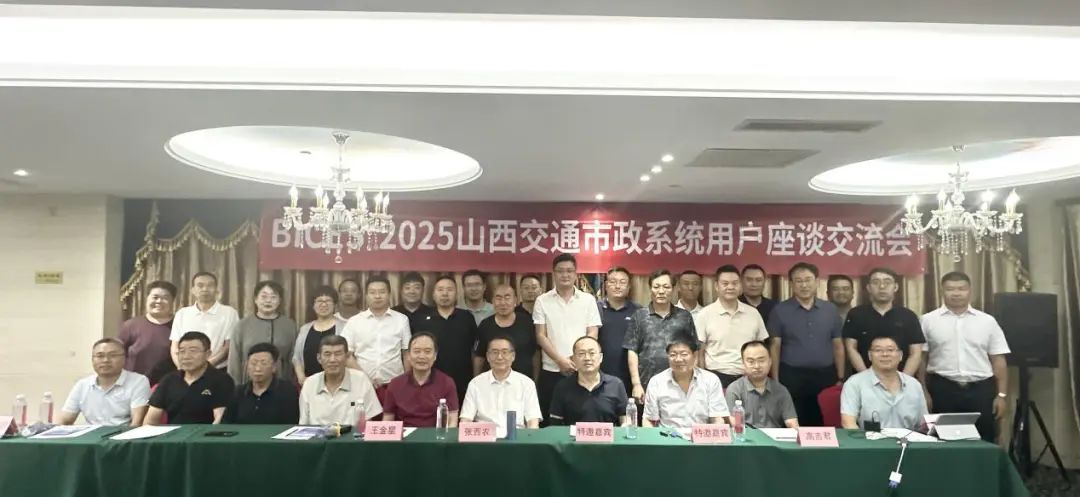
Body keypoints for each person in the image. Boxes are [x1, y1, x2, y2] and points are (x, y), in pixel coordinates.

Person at [919, 271, 1010, 443]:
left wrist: (1002, 395)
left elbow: (998, 360)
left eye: (961, 289)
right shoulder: (927, 321)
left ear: (970, 291)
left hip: (981, 391)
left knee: (984, 440)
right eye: (950, 289)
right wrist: (923, 391)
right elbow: (922, 359)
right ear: (942, 291)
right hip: (942, 389)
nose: (956, 293)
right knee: (940, 441)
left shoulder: (987, 321)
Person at [768, 262, 845, 426]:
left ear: (817, 282)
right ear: (791, 284)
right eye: (799, 281)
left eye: (808, 280)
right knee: (794, 422)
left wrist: (840, 376)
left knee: (823, 422)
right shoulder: (780, 310)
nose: (804, 285)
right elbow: (775, 347)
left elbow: (838, 345)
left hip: (825, 376)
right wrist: (775, 379)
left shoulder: (830, 310)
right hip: (792, 376)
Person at [534, 254, 602, 423]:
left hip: (582, 370)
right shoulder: (542, 301)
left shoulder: (588, 300)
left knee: (581, 419)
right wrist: (560, 360)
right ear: (553, 273)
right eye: (560, 271)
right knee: (551, 421)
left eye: (569, 271)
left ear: (576, 273)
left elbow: (592, 333)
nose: (565, 275)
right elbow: (540, 335)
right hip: (551, 370)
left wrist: (576, 359)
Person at [625, 269, 698, 405]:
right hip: (646, 385)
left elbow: (694, 350)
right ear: (650, 289)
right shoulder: (639, 316)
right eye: (656, 287)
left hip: (679, 384)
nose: (661, 291)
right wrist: (636, 384)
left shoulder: (684, 317)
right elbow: (632, 351)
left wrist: (693, 381)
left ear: (673, 289)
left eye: (666, 287)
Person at [843, 267, 925, 376]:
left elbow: (915, 353)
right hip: (864, 379)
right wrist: (867, 378)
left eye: (887, 282)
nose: (882, 286)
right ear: (868, 288)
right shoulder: (856, 314)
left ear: (895, 287)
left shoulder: (909, 316)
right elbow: (851, 349)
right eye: (876, 282)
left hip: (902, 378)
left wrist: (903, 380)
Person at [341, 275, 411, 401]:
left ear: (389, 294)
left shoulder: (401, 319)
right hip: (361, 384)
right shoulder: (354, 321)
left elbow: (406, 354)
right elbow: (346, 355)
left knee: (392, 414)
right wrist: (365, 378)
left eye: (382, 292)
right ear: (366, 295)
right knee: (362, 414)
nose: (377, 296)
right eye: (372, 292)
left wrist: (407, 382)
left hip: (394, 384)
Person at [698, 265, 769, 388]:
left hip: (748, 378)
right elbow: (699, 353)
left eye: (735, 283)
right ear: (716, 286)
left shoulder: (753, 313)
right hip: (716, 378)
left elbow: (761, 349)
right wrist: (702, 382)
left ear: (740, 285)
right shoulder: (704, 314)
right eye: (725, 283)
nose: (730, 287)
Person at [146, 332, 235, 425]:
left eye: (193, 351)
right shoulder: (169, 380)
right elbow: (151, 419)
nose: (186, 356)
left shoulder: (222, 380)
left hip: (206, 432)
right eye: (182, 351)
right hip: (173, 433)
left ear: (208, 354)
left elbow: (220, 419)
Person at [842, 336, 928, 431]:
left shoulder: (914, 385)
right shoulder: (854, 383)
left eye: (890, 350)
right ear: (870, 355)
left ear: (900, 355)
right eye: (878, 350)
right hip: (870, 439)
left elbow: (924, 425)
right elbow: (848, 423)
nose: (885, 354)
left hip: (909, 439)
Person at [642, 336, 729, 430]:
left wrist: (714, 435)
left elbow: (717, 418)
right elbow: (648, 420)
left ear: (694, 355)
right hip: (667, 437)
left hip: (701, 437)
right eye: (673, 355)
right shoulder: (656, 382)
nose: (678, 359)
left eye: (684, 354)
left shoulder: (711, 380)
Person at [59, 338, 151, 426]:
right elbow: (64, 420)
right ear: (92, 359)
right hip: (92, 434)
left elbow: (137, 423)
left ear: (124, 358)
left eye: (113, 355)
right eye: (100, 356)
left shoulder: (138, 381)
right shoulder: (82, 385)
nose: (106, 360)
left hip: (123, 434)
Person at [460, 336, 542, 434]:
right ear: (487, 356)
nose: (499, 357)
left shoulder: (527, 384)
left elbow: (533, 422)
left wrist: (530, 439)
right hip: (484, 439)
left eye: (505, 352)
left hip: (516, 438)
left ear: (513, 356)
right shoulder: (475, 384)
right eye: (495, 352)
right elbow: (466, 420)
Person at [422, 274, 480, 405]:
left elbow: (475, 352)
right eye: (440, 290)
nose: (445, 293)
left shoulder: (466, 317)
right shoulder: (423, 319)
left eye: (449, 289)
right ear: (433, 294)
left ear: (456, 294)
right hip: (431, 380)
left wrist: (475, 378)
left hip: (462, 381)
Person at [299, 335, 382, 425]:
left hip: (353, 434)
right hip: (317, 434)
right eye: (327, 354)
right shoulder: (309, 384)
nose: (332, 360)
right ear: (319, 358)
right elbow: (303, 424)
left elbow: (368, 422)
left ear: (347, 357)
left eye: (338, 354)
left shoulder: (361, 380)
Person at [382, 333, 460, 427]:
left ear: (435, 355)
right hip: (404, 434)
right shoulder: (395, 384)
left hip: (436, 434)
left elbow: (452, 421)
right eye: (417, 351)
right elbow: (387, 420)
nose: (422, 356)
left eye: (427, 351)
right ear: (408, 355)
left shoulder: (447, 383)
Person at [228, 281, 298, 385]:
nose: (268, 301)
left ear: (279, 301)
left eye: (273, 297)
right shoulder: (242, 326)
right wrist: (234, 386)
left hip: (281, 381)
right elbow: (234, 360)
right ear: (256, 299)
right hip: (248, 384)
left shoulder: (289, 325)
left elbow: (294, 357)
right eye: (264, 296)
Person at [549, 336, 628, 426]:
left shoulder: (616, 385)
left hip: (608, 435)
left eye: (592, 353)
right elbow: (555, 422)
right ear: (573, 359)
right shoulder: (562, 387)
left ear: (601, 357)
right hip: (572, 435)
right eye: (581, 354)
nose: (587, 358)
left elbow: (625, 419)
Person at [169, 272, 239, 369]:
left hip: (216, 370)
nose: (205, 289)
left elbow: (228, 347)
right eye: (200, 285)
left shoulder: (229, 313)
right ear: (193, 290)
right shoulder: (182, 314)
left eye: (210, 285)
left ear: (217, 289)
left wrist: (203, 368)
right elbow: (175, 346)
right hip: (185, 370)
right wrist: (181, 367)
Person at [724, 341, 798, 429]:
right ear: (743, 364)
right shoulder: (734, 389)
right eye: (751, 361)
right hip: (746, 435)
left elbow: (791, 422)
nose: (757, 366)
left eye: (761, 360)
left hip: (774, 436)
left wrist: (797, 431)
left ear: (770, 361)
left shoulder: (781, 390)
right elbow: (734, 423)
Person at [223, 343, 300, 424]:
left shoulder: (287, 391)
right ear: (247, 366)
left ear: (274, 367)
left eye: (264, 363)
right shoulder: (238, 392)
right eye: (253, 363)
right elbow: (227, 424)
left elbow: (292, 424)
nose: (258, 369)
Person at [475, 284, 539, 379]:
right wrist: (477, 380)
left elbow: (535, 354)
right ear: (493, 301)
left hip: (523, 381)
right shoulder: (485, 325)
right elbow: (479, 357)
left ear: (515, 300)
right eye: (498, 298)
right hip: (492, 382)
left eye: (507, 298)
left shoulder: (527, 322)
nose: (503, 302)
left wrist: (535, 380)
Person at [597, 266, 641, 397]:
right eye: (613, 282)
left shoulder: (638, 311)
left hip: (630, 376)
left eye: (622, 282)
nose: (617, 286)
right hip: (600, 375)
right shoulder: (595, 309)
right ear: (606, 285)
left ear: (629, 287)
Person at [118, 280, 176, 378]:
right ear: (147, 299)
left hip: (167, 384)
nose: (159, 301)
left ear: (172, 301)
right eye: (155, 297)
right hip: (134, 383)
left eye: (165, 298)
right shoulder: (130, 325)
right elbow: (117, 355)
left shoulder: (179, 326)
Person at [292, 286, 348, 385]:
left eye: (328, 301)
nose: (323, 304)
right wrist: (301, 377)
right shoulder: (305, 329)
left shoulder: (345, 327)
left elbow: (348, 357)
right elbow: (297, 357)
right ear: (313, 305)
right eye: (319, 301)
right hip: (308, 383)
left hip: (338, 383)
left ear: (335, 305)